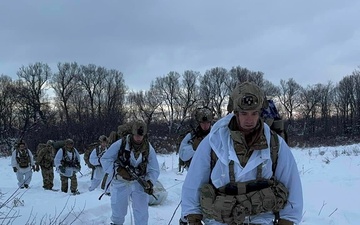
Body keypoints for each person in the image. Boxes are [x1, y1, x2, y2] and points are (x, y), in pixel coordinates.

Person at [181, 81, 303, 225]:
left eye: (254, 113)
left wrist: (287, 220)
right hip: (219, 221)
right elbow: (194, 182)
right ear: (235, 113)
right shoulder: (213, 142)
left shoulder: (275, 144)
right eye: (244, 113)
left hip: (261, 220)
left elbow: (291, 184)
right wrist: (192, 217)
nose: (249, 120)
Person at [100, 120, 160, 225]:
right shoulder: (121, 143)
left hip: (139, 182)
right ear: (132, 133)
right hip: (121, 182)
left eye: (141, 136)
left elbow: (154, 168)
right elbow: (105, 159)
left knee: (142, 211)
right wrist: (118, 170)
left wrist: (149, 182)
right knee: (118, 209)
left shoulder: (148, 148)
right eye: (136, 135)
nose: (138, 138)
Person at [178, 107, 213, 224]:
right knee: (191, 200)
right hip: (195, 175)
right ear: (199, 123)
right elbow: (183, 154)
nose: (205, 126)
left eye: (207, 123)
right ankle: (185, 218)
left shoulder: (216, 134)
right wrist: (195, 148)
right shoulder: (191, 137)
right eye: (203, 123)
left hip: (213, 175)